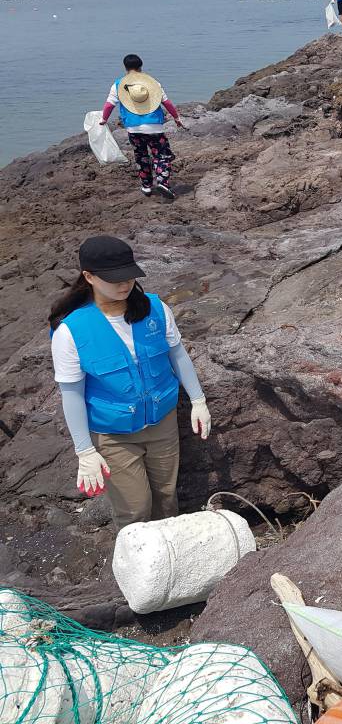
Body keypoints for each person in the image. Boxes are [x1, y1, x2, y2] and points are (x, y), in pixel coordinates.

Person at [49, 236, 212, 531]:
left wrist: (198, 401)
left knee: (166, 500)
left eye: (129, 275)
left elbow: (178, 355)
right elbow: (71, 394)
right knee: (135, 510)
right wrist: (85, 451)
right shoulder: (71, 331)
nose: (124, 284)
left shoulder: (155, 309)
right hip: (113, 435)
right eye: (114, 279)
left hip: (162, 423)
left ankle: (174, 563)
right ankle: (138, 570)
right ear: (89, 277)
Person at [99, 54, 183, 199]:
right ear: (141, 67)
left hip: (133, 129)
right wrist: (176, 118)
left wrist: (103, 120)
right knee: (161, 155)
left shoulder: (118, 85)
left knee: (141, 156)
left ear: (125, 68)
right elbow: (167, 102)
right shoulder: (152, 83)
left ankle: (146, 186)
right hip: (155, 127)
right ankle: (162, 181)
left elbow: (109, 105)